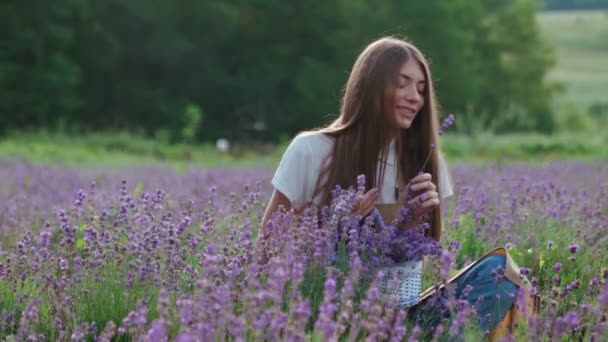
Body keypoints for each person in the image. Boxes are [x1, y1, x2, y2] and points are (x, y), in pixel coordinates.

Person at [259, 36, 534, 339]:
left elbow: (418, 259)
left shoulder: (427, 162)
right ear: (370, 85)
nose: (415, 97)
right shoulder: (312, 150)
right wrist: (337, 232)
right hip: (328, 315)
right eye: (402, 84)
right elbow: (269, 245)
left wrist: (413, 222)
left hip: (402, 317)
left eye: (420, 89)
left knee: (500, 273)